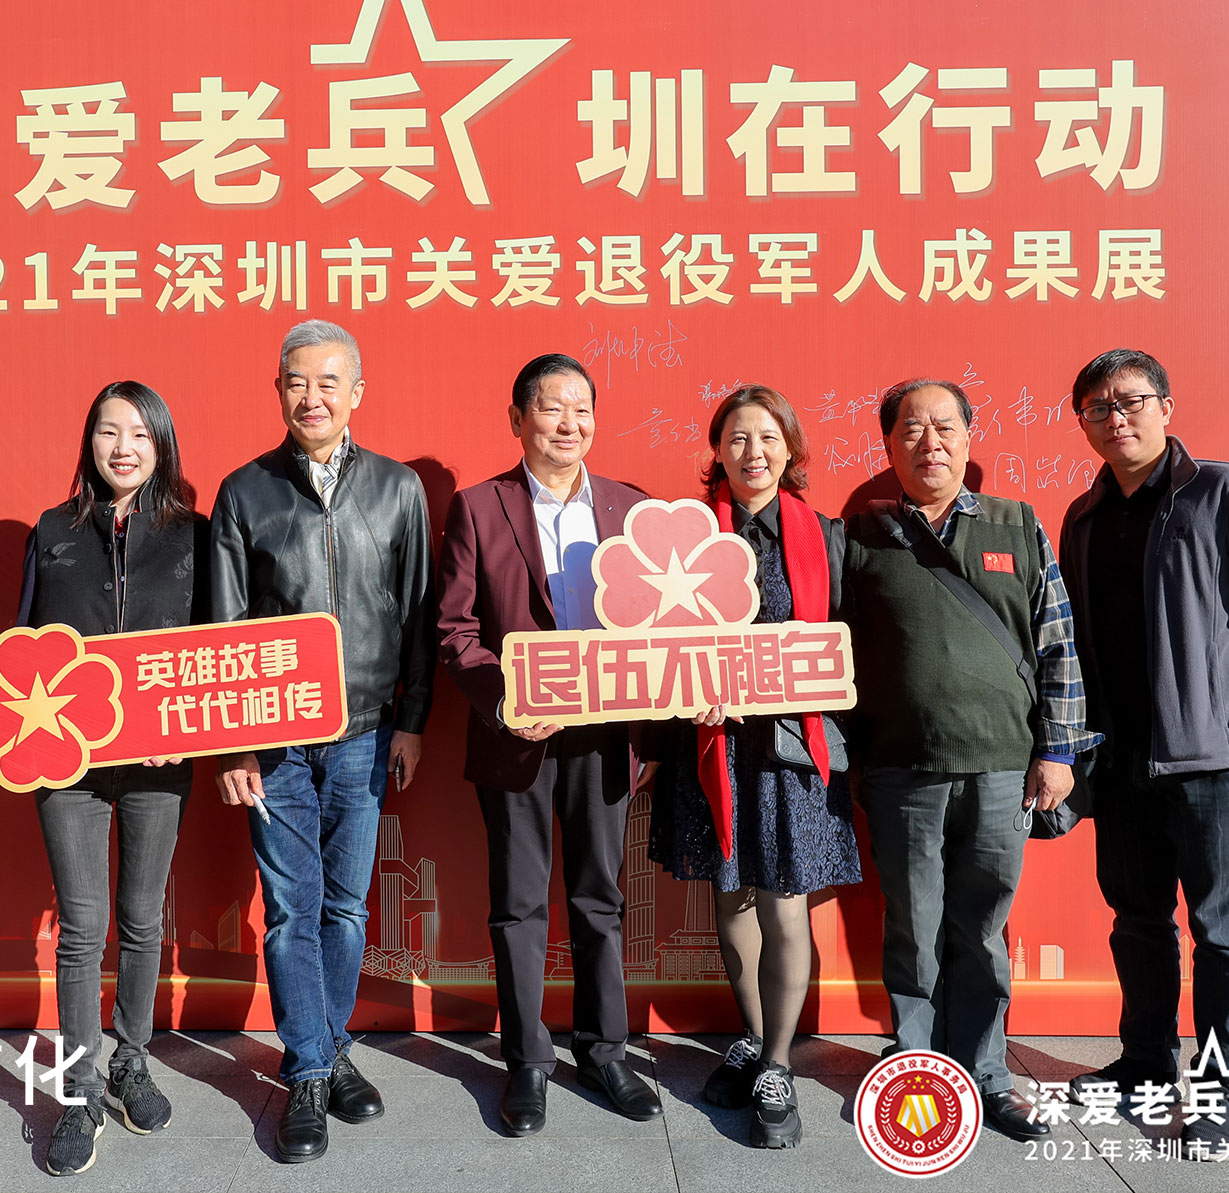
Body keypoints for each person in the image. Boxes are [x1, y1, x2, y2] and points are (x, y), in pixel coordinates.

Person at [1058, 349, 1229, 1154]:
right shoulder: (1083, 515)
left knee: (1223, 930)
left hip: (1214, 758)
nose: (1117, 417)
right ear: (1084, 423)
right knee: (1137, 921)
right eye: (1099, 407)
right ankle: (1145, 1063)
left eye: (1132, 400)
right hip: (1120, 758)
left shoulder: (1225, 492)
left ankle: (1216, 1090)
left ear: (1166, 407)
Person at [0, 380, 204, 1177]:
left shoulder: (193, 534)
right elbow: (21, 643)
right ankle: (82, 1089)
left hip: (161, 763)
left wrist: (187, 730)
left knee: (141, 918)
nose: (123, 447)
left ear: (161, 445)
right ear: (88, 442)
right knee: (83, 926)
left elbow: (218, 648)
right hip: (66, 761)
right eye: (107, 432)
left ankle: (132, 1061)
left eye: (139, 433)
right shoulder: (53, 531)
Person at [843, 378, 1099, 1143]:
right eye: (912, 429)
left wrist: (1058, 749)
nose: (931, 442)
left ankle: (986, 1070)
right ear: (889, 445)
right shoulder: (860, 535)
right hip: (901, 768)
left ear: (968, 437)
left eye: (945, 426)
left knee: (983, 925)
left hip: (1002, 767)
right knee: (912, 923)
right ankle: (916, 1062)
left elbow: (1058, 644)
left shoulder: (1017, 524)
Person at [207, 319, 433, 1164]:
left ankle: (329, 1047)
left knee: (346, 905)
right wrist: (232, 743)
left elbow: (418, 613)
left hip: (367, 734)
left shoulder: (398, 489)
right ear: (278, 391)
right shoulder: (244, 492)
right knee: (292, 906)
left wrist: (414, 719)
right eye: (298, 382)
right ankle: (308, 1069)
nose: (313, 397)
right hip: (273, 741)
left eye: (329, 382)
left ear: (356, 393)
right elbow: (222, 628)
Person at [436, 353, 661, 1137]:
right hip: (517, 739)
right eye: (551, 408)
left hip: (606, 737)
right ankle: (527, 1060)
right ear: (517, 419)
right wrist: (507, 700)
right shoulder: (479, 506)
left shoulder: (634, 508)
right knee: (519, 905)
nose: (569, 423)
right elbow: (455, 628)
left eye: (581, 409)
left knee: (601, 899)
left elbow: (663, 628)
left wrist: (654, 725)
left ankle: (604, 1051)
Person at [647, 385, 862, 1150]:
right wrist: (688, 691)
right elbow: (654, 639)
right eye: (737, 438)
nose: (753, 452)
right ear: (718, 450)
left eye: (768, 437)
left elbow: (848, 644)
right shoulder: (684, 539)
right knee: (731, 893)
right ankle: (750, 1032)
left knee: (784, 902)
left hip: (790, 750)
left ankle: (777, 1062)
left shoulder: (826, 537)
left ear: (790, 448)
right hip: (713, 745)